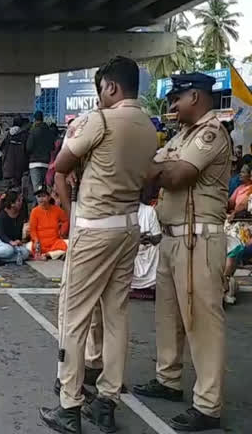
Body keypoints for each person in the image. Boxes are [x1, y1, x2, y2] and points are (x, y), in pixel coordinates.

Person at [41, 57, 157, 434]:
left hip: (94, 229)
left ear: (111, 87)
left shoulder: (101, 120)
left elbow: (61, 163)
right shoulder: (148, 126)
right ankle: (107, 402)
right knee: (116, 316)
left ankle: (70, 405)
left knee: (74, 317)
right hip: (128, 228)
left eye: (102, 89)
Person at [133, 72, 231, 431]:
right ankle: (168, 379)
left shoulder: (210, 133)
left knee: (202, 322)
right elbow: (149, 172)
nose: (172, 106)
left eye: (177, 98)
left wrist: (160, 170)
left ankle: (208, 404)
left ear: (197, 96)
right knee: (169, 316)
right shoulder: (182, 135)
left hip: (198, 238)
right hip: (172, 236)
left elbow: (176, 176)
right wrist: (160, 169)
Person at [0, 190, 30, 263]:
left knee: (25, 253)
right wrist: (10, 242)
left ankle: (0, 259)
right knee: (9, 250)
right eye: (18, 201)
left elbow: (19, 232)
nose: (21, 202)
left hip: (11, 243)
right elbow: (1, 234)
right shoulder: (2, 215)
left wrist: (18, 241)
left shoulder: (21, 214)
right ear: (12, 204)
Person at [28, 185, 69, 261]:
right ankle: (49, 255)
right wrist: (36, 241)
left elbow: (65, 220)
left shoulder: (57, 209)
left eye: (43, 196)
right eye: (39, 196)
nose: (41, 199)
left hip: (54, 242)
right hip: (40, 243)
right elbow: (32, 230)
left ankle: (47, 255)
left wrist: (62, 232)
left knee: (69, 244)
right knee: (28, 247)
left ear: (49, 197)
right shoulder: (34, 211)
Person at [26, 110, 55, 191]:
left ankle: (41, 203)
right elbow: (52, 147)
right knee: (44, 187)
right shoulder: (49, 132)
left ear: (35, 119)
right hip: (46, 162)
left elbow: (28, 147)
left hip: (34, 163)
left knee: (37, 189)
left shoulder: (33, 131)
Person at [0, 117, 29, 188]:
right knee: (18, 185)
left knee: (7, 187)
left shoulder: (7, 134)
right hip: (20, 164)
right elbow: (28, 149)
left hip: (8, 163)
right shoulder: (25, 135)